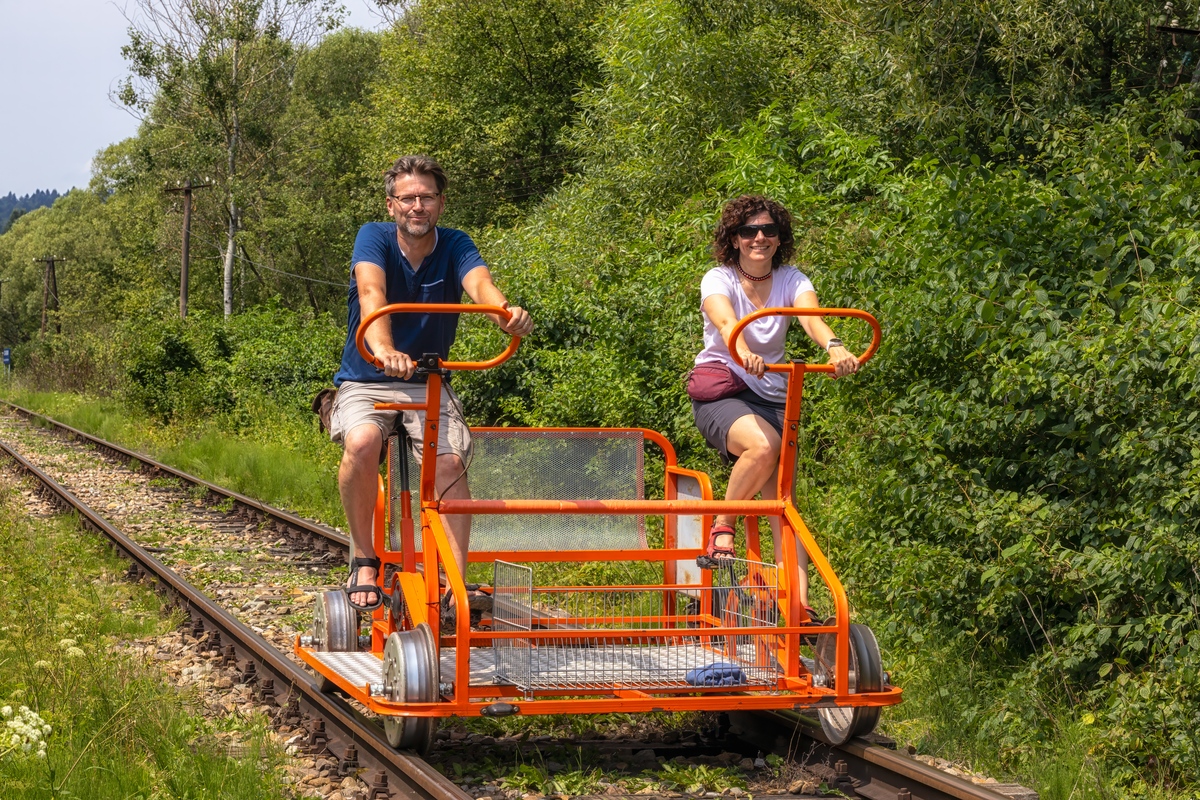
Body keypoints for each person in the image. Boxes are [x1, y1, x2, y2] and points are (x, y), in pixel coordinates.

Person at [328, 155, 533, 612]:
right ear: (391, 204)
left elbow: (480, 284)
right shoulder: (373, 237)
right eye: (408, 198)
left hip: (429, 382)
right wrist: (383, 349)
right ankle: (364, 559)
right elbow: (371, 295)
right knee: (362, 442)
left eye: (426, 197)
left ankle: (452, 585)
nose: (416, 206)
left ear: (441, 203)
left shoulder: (456, 244)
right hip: (369, 377)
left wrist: (505, 314)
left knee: (448, 463)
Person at [689, 194, 858, 612]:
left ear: (781, 238)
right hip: (725, 390)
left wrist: (834, 346)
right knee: (763, 447)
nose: (759, 238)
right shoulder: (718, 278)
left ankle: (796, 610)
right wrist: (743, 348)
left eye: (768, 230)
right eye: (749, 231)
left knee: (783, 506)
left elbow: (811, 317)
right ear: (734, 238)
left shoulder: (792, 279)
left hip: (772, 395)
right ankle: (722, 527)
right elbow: (726, 319)